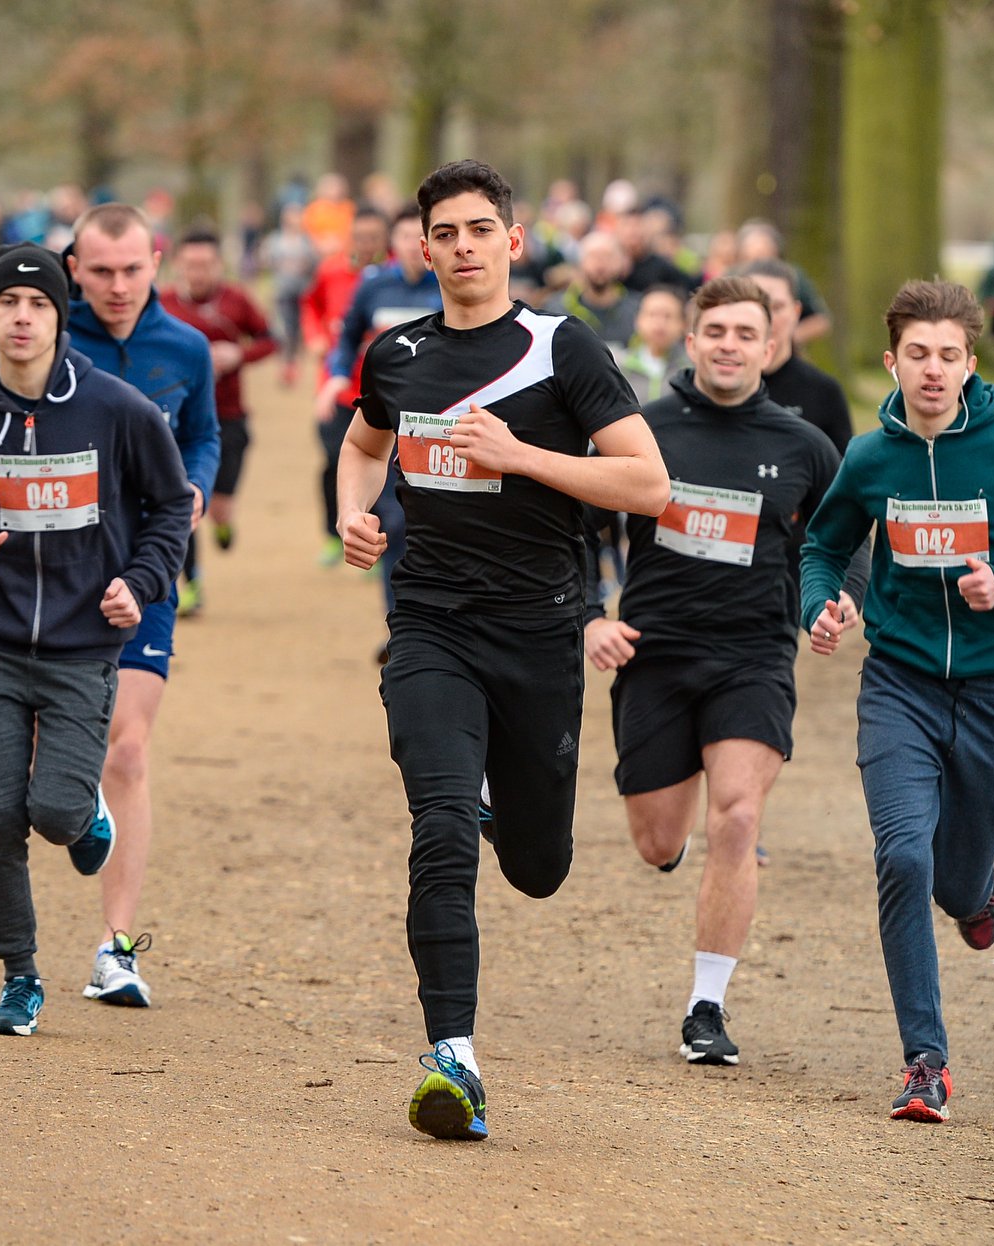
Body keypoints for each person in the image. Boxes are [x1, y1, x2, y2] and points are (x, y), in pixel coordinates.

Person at [336, 159, 668, 1141]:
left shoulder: (565, 350)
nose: (466, 247)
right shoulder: (395, 355)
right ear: (424, 248)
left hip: (538, 633)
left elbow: (647, 484)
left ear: (514, 242)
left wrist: (520, 456)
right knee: (438, 826)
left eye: (483, 229)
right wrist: (354, 516)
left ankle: (499, 804)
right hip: (431, 624)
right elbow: (363, 445)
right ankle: (454, 1060)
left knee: (536, 866)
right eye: (447, 233)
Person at [800, 280, 994, 1123]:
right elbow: (822, 544)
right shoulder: (869, 457)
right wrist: (821, 603)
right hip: (898, 683)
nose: (932, 371)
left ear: (970, 362)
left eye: (948, 356)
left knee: (955, 880)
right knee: (902, 857)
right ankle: (925, 1062)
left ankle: (976, 893)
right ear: (892, 362)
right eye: (916, 355)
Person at [0, 244, 193, 1036]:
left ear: (61, 319)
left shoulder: (117, 409)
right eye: (7, 306)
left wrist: (142, 581)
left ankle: (84, 815)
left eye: (38, 306)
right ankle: (20, 978)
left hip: (80, 650)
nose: (21, 318)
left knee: (57, 814)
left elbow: (170, 508)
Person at [584, 276, 856, 1067]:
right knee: (657, 840)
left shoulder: (802, 446)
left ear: (770, 348)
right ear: (690, 341)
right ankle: (667, 841)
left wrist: (837, 598)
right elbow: (573, 530)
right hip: (655, 655)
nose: (730, 345)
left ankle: (707, 1006)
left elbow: (843, 538)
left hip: (752, 656)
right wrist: (591, 619)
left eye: (746, 333)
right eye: (717, 332)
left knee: (736, 818)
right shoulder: (641, 433)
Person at [64, 202, 219, 1008]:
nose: (118, 287)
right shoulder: (49, 343)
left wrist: (196, 484)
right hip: (52, 572)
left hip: (148, 565)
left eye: (132, 270)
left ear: (155, 261)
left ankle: (114, 949)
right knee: (50, 748)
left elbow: (204, 434)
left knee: (127, 752)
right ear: (74, 271)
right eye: (101, 272)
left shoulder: (185, 347)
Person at [317, 204, 447, 649]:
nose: (413, 248)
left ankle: (438, 624)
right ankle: (400, 627)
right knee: (392, 521)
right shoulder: (373, 286)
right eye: (405, 238)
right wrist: (336, 373)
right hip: (387, 423)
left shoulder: (450, 287)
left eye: (421, 239)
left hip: (443, 426)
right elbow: (348, 337)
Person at [161, 227, 277, 579]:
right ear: (177, 265)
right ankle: (191, 581)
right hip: (176, 420)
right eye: (191, 265)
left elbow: (269, 340)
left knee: (220, 507)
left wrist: (237, 355)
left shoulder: (236, 301)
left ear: (219, 266)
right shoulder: (161, 304)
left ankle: (224, 524)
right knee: (183, 502)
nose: (198, 272)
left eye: (206, 265)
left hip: (227, 418)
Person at [304, 208, 389, 565]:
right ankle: (331, 532)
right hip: (338, 388)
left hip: (379, 391)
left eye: (374, 237)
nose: (366, 244)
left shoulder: (393, 277)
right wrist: (316, 336)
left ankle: (374, 536)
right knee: (334, 459)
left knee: (381, 463)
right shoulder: (331, 271)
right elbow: (311, 304)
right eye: (360, 236)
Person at [738, 259, 853, 454]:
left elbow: (845, 475)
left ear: (796, 312)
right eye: (756, 306)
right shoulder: (714, 385)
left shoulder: (823, 392)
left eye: (777, 307)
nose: (766, 318)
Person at [735, 221, 831, 345]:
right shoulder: (730, 279)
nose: (758, 266)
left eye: (763, 257)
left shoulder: (794, 277)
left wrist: (787, 337)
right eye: (750, 259)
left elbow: (821, 320)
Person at [543, 230, 640, 346]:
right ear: (580, 262)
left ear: (620, 262)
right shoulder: (557, 309)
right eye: (593, 256)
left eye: (608, 256)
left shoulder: (637, 309)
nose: (600, 264)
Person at [261, 203, 319, 386]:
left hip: (302, 292)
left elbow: (314, 263)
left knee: (297, 330)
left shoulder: (306, 241)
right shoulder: (275, 241)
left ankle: (294, 365)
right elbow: (265, 260)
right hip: (282, 291)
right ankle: (284, 365)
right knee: (284, 330)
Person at [612, 285, 689, 407]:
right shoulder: (618, 367)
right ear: (638, 320)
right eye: (652, 314)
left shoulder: (690, 370)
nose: (659, 323)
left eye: (668, 316)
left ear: (683, 324)